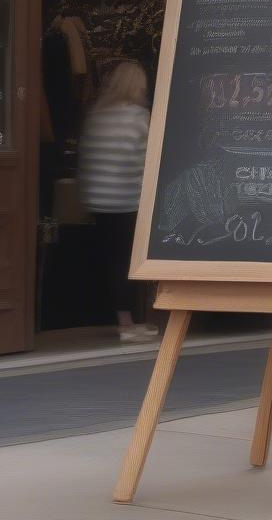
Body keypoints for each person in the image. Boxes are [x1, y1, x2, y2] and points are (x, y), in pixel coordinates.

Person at [78, 60, 154, 342]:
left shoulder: (97, 115)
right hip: (127, 200)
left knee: (111, 258)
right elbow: (145, 162)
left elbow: (86, 159)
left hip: (98, 200)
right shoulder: (138, 117)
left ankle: (124, 318)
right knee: (128, 262)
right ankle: (127, 324)